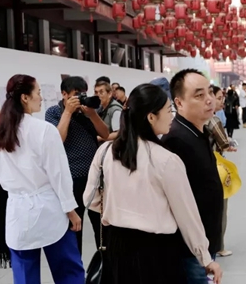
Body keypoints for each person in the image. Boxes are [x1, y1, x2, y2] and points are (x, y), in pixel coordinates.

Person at [84, 84, 222, 284]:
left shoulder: (106, 151)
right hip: (156, 251)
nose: (171, 116)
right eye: (168, 110)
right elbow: (187, 216)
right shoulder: (166, 160)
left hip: (118, 246)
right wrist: (205, 257)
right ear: (151, 117)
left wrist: (119, 209)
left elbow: (91, 199)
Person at [0, 74, 85, 283]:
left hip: (18, 215)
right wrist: (71, 211)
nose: (40, 97)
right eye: (38, 92)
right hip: (51, 210)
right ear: (25, 98)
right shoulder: (45, 131)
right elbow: (59, 175)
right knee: (68, 272)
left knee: (24, 275)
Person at [162, 69, 225, 284]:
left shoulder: (198, 131)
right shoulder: (176, 140)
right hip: (191, 247)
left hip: (204, 241)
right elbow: (178, 203)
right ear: (179, 103)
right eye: (199, 95)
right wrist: (201, 251)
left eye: (209, 92)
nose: (209, 100)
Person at [45, 76, 110, 254]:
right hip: (72, 179)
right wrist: (67, 113)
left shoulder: (86, 112)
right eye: (76, 94)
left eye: (83, 94)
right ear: (64, 94)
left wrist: (92, 114)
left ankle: (104, 267)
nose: (80, 98)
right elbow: (56, 141)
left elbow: (105, 133)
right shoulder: (53, 112)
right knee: (75, 227)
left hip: (95, 178)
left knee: (101, 226)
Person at [207, 86, 236, 258]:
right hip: (216, 167)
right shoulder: (213, 120)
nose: (221, 101)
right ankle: (219, 246)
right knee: (220, 208)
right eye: (218, 97)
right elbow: (224, 143)